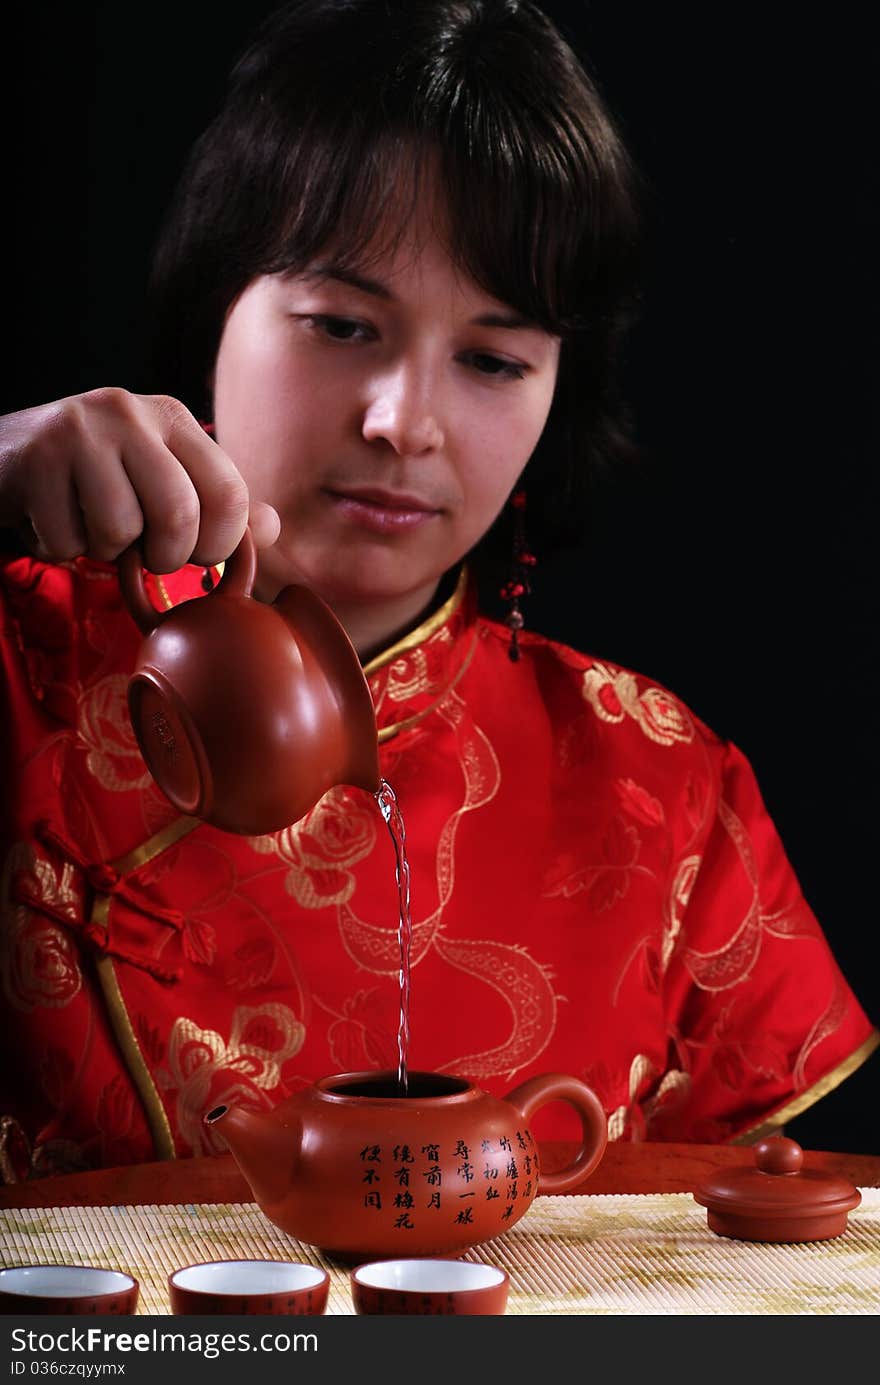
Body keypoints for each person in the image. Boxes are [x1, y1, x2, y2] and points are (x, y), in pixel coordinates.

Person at [0, 0, 875, 1182]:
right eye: (341, 324)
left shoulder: (659, 783)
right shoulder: (17, 647)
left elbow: (746, 1230)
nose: (403, 422)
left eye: (492, 359)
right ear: (218, 307)